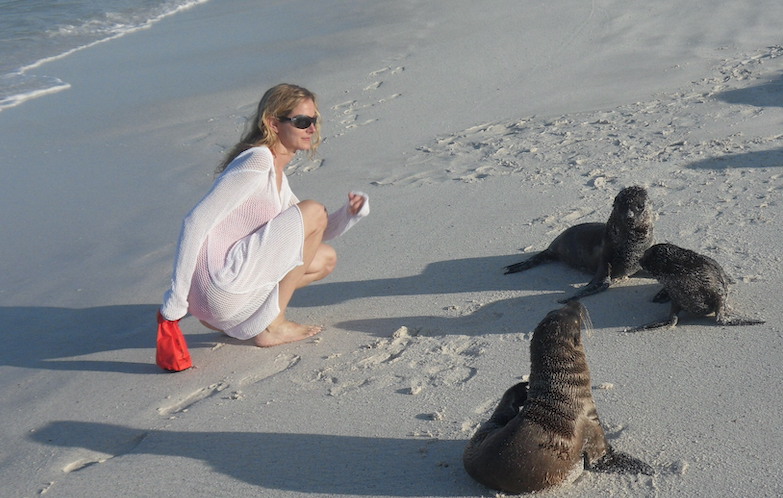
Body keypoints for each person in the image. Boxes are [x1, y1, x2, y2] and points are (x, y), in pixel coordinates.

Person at [159, 83, 369, 348]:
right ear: (273, 124)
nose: (312, 129)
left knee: (324, 259)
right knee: (313, 210)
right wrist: (176, 301)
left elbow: (312, 235)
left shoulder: (276, 175)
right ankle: (273, 324)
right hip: (219, 288)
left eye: (314, 121)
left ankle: (240, 322)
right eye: (302, 121)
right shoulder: (256, 162)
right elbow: (195, 222)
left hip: (216, 305)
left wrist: (350, 214)